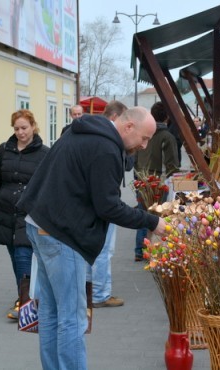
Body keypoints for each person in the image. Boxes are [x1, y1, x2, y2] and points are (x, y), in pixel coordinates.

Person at [17, 106, 167, 370]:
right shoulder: (106, 149)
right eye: (144, 138)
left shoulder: (85, 131)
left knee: (52, 312)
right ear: (128, 126)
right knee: (73, 318)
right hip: (62, 235)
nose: (144, 146)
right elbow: (108, 206)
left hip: (40, 224)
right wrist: (152, 222)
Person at [0, 109, 49, 320]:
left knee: (22, 255)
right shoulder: (4, 149)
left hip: (28, 213)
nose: (20, 132)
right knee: (14, 255)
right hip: (5, 211)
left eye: (24, 128)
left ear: (33, 127)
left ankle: (25, 303)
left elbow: (47, 185)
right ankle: (24, 296)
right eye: (17, 128)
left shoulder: (44, 153)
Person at [89, 100, 128, 309]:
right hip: (102, 205)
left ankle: (93, 291)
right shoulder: (106, 144)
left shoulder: (95, 135)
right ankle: (99, 293)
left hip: (95, 204)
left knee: (98, 250)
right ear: (115, 118)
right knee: (104, 250)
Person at [133, 101, 179, 261]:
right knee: (158, 216)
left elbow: (135, 158)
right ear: (167, 117)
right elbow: (172, 164)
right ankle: (153, 250)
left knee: (143, 213)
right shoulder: (167, 137)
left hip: (142, 181)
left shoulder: (145, 135)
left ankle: (140, 250)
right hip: (160, 183)